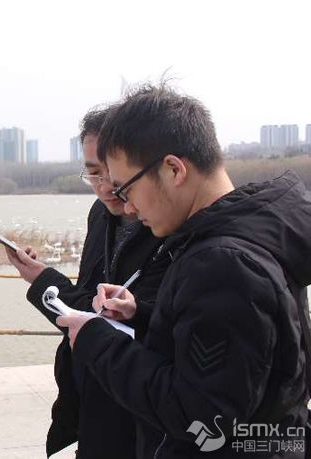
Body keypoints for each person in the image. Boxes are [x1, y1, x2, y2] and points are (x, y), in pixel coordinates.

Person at [58, 84, 310, 458]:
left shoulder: (225, 263)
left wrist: (98, 341)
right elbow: (241, 355)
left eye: (126, 189)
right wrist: (142, 315)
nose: (128, 208)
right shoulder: (254, 234)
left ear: (174, 169)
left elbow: (202, 415)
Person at [5, 105, 169, 458]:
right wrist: (41, 276)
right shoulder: (100, 215)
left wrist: (44, 281)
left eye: (113, 173)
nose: (107, 187)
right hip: (92, 392)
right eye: (94, 173)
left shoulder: (169, 226)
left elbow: (108, 319)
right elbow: (89, 301)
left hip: (141, 409)